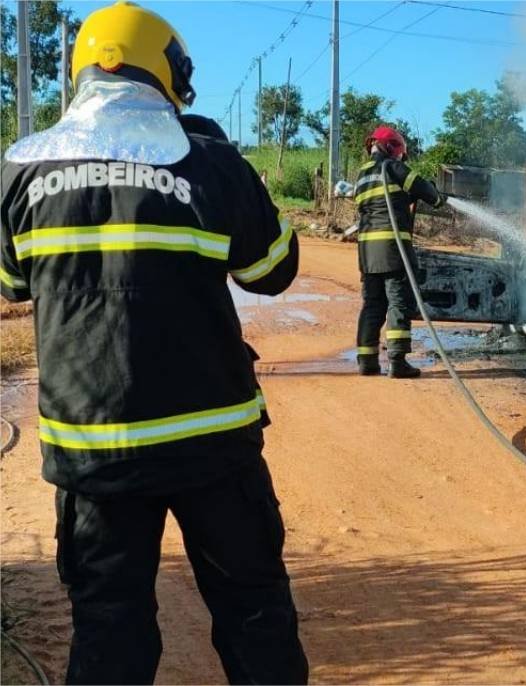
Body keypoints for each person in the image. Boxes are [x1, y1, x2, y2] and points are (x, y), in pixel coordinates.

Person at [0, 2, 308, 683]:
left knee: (109, 626)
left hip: (93, 452)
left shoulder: (19, 172)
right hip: (213, 444)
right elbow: (273, 272)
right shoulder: (210, 164)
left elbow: (12, 284)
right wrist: (233, 172)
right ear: (172, 73)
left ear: (80, 71)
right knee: (253, 614)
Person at [354, 125, 447, 378]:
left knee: (372, 304)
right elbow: (423, 189)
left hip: (367, 252)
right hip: (393, 250)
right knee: (398, 302)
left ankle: (367, 361)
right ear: (392, 147)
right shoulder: (392, 167)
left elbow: (381, 203)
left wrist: (406, 199)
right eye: (399, 153)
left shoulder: (362, 175)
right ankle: (397, 361)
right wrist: (437, 198)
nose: (400, 158)